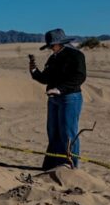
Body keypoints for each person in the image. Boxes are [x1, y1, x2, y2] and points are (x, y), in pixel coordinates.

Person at [30, 28, 86, 169]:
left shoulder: (76, 56)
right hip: (53, 99)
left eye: (52, 45)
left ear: (60, 43)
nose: (50, 48)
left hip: (70, 98)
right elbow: (45, 78)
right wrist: (34, 71)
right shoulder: (52, 58)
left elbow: (79, 77)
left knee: (68, 132)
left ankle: (70, 165)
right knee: (53, 132)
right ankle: (52, 165)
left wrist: (60, 89)